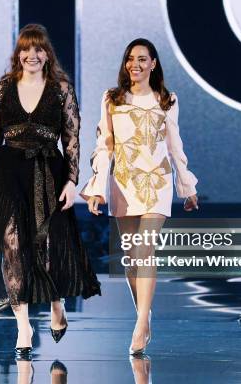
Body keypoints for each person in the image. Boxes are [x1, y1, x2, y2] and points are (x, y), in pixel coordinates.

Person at [0, 23, 101, 357]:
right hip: (8, 174)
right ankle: (24, 327)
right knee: (13, 246)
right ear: (18, 54)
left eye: (38, 49)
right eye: (26, 49)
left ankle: (57, 303)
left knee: (47, 249)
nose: (32, 55)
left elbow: (72, 138)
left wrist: (73, 180)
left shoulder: (60, 88)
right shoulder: (1, 89)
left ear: (47, 54)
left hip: (49, 172)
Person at [80, 38, 198, 355]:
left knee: (145, 250)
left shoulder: (167, 100)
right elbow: (104, 145)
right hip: (123, 184)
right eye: (131, 59)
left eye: (143, 59)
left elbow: (175, 146)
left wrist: (187, 186)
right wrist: (96, 188)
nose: (136, 64)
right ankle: (144, 315)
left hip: (158, 182)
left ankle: (141, 323)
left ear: (154, 64)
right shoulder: (112, 99)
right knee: (132, 258)